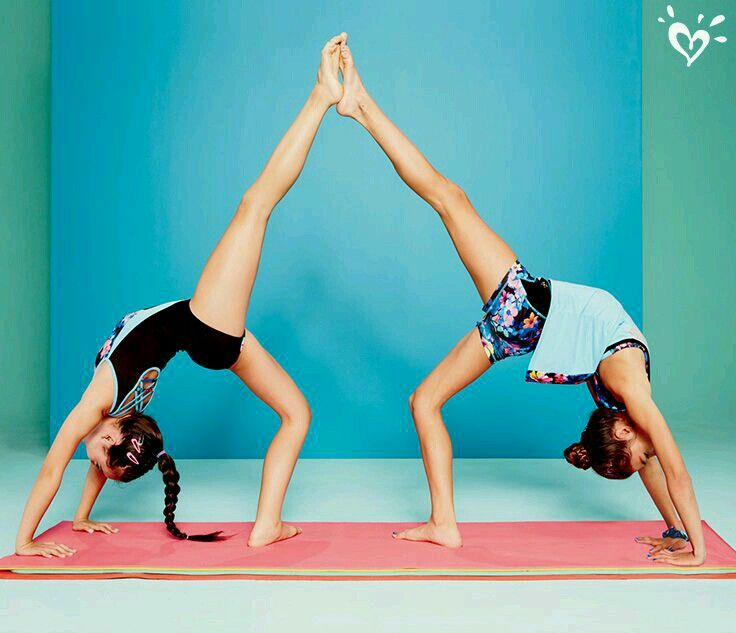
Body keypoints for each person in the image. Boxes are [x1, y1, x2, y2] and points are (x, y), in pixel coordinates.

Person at [335, 38, 705, 566]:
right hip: (524, 318)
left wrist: (686, 542)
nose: (652, 454)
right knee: (424, 400)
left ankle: (361, 107)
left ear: (621, 429)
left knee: (447, 197)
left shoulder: (626, 401)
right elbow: (667, 468)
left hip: (524, 310)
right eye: (644, 451)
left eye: (641, 450)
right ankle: (443, 523)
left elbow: (667, 469)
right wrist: (689, 541)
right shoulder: (628, 399)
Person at [15, 33, 348, 558]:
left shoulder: (109, 413)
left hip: (211, 340)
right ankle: (321, 96)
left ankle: (267, 525)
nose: (93, 458)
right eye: (102, 460)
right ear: (116, 434)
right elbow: (56, 463)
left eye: (101, 459)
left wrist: (80, 519)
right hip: (206, 325)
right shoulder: (103, 411)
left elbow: (78, 460)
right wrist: (24, 541)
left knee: (297, 414)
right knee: (255, 204)